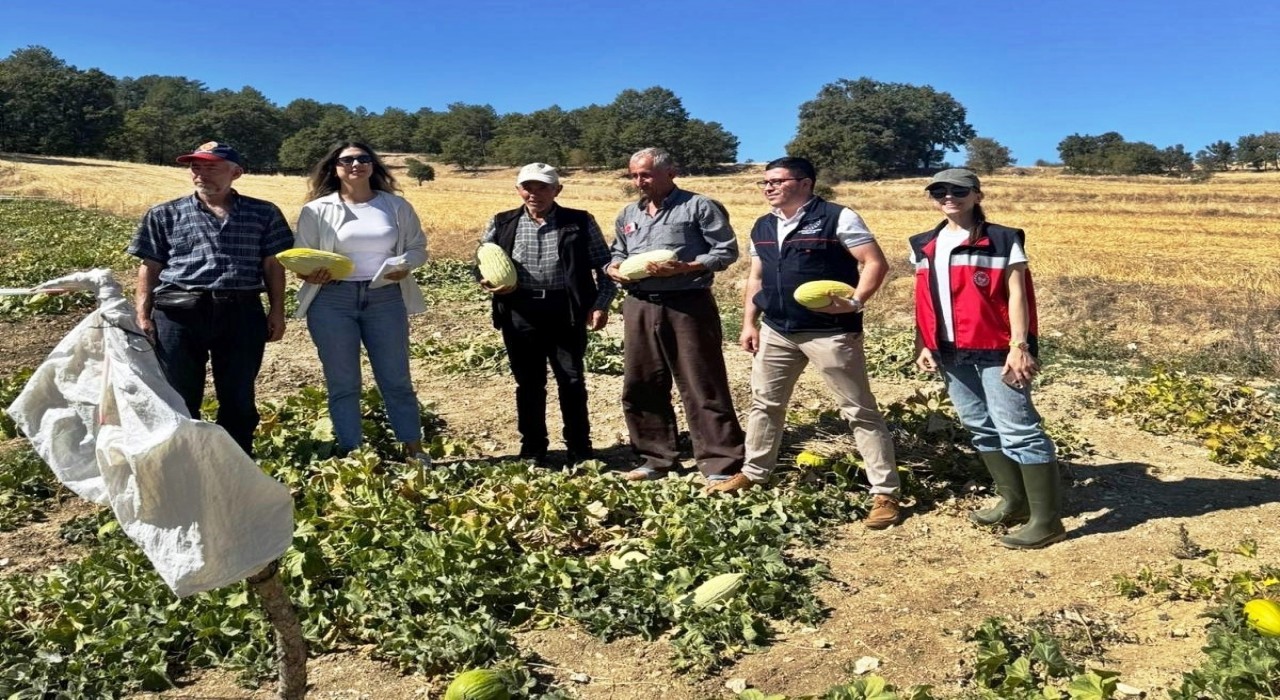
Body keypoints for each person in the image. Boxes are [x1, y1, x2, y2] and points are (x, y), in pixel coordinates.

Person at [707, 157, 902, 529]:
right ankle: (754, 474)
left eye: (777, 181)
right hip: (777, 329)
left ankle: (884, 492)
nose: (768, 188)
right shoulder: (763, 225)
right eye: (764, 182)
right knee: (765, 403)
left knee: (859, 410)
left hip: (830, 331)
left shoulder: (838, 217)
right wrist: (750, 322)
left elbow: (874, 262)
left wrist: (857, 301)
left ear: (806, 183)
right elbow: (757, 277)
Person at [909, 168, 1065, 549]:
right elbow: (924, 299)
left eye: (959, 190)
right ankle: (1013, 501)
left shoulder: (1003, 239)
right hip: (949, 350)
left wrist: (1019, 345)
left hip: (997, 349)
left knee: (1019, 429)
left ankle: (1047, 520)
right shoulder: (923, 243)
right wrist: (923, 343)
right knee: (980, 425)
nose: (949, 196)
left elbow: (1018, 296)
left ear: (977, 195)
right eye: (940, 191)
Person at [128, 141, 293, 456]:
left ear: (236, 172)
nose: (201, 174)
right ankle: (183, 460)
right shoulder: (164, 213)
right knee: (178, 396)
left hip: (241, 312)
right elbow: (149, 267)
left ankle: (236, 460)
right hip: (177, 314)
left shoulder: (264, 212)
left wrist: (277, 312)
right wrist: (143, 315)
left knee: (238, 396)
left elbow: (273, 265)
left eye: (211, 166)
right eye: (196, 167)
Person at [606, 147, 744, 483]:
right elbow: (616, 253)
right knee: (642, 382)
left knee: (701, 382)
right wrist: (613, 269)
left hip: (687, 303)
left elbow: (726, 251)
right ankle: (655, 458)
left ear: (671, 172)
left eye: (646, 174)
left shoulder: (699, 206)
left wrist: (688, 267)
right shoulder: (628, 214)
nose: (639, 181)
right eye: (634, 175)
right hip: (639, 304)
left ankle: (721, 462)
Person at [293, 142, 429, 462]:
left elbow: (419, 248)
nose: (356, 164)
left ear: (373, 166)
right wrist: (310, 274)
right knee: (343, 380)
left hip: (385, 297)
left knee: (396, 378)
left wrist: (404, 264)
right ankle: (352, 452)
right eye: (348, 160)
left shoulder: (396, 207)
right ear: (334, 168)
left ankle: (413, 448)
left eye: (363, 158)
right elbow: (302, 257)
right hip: (331, 300)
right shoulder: (316, 210)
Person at [478, 163, 617, 466]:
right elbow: (482, 260)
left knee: (571, 381)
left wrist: (600, 304)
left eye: (542, 187)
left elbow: (606, 267)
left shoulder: (579, 222)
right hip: (520, 311)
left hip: (565, 311)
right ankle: (533, 449)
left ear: (557, 190)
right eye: (528, 187)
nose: (534, 193)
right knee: (528, 384)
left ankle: (580, 449)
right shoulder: (502, 222)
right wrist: (486, 280)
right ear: (518, 190)